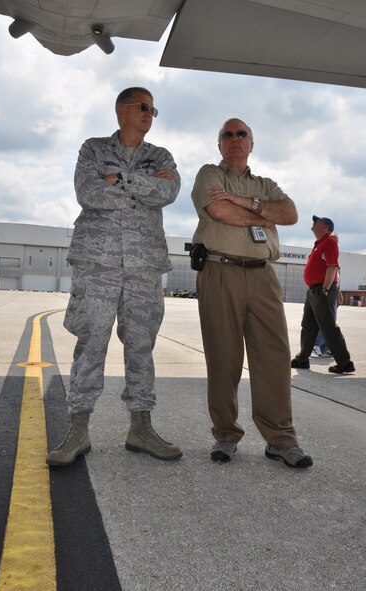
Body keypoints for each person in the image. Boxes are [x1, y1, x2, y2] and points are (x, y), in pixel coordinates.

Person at [46, 87, 182, 467]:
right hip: (97, 264)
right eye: (143, 107)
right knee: (90, 345)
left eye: (154, 109)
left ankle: (141, 427)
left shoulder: (161, 156)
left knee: (141, 347)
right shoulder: (92, 149)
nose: (150, 114)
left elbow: (169, 191)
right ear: (122, 110)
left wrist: (118, 180)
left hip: (143, 267)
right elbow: (87, 193)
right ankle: (78, 429)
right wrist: (141, 184)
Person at [190, 118, 313, 469]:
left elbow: (289, 213)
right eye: (227, 135)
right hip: (220, 271)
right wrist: (262, 216)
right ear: (219, 144)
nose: (234, 139)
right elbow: (219, 211)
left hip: (263, 276)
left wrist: (247, 202)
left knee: (274, 359)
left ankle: (280, 440)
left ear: (251, 143)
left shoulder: (266, 184)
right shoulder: (210, 176)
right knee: (223, 358)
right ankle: (226, 436)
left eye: (241, 134)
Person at [291, 216, 355, 374]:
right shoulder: (318, 245)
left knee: (328, 327)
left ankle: (345, 363)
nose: (314, 222)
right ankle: (303, 358)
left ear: (325, 227)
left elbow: (332, 267)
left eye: (317, 221)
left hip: (322, 289)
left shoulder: (329, 242)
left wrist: (325, 289)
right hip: (313, 290)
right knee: (308, 325)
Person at [312, 232, 343, 357]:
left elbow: (335, 278)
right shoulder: (323, 256)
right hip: (325, 292)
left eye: (335, 241)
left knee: (331, 321)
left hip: (333, 293)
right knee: (325, 321)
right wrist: (324, 291)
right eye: (331, 240)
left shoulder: (334, 257)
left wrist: (339, 293)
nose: (333, 242)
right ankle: (317, 346)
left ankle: (325, 347)